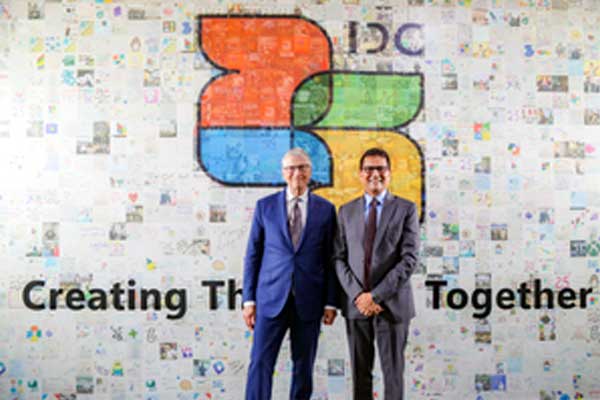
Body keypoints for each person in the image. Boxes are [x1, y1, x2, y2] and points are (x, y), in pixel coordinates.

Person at [242, 148, 338, 400]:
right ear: (283, 172)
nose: (297, 173)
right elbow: (253, 255)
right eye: (291, 168)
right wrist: (249, 300)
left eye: (302, 167)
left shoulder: (326, 210)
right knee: (260, 362)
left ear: (310, 171)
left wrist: (330, 302)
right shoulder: (265, 207)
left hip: (309, 300)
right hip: (270, 299)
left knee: (303, 366)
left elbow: (331, 260)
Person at [334, 148, 419, 400]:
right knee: (360, 377)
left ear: (389, 173)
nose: (375, 174)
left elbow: (409, 259)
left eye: (380, 168)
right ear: (360, 174)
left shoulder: (406, 209)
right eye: (369, 169)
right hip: (356, 307)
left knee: (393, 377)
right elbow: (338, 258)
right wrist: (359, 296)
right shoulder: (346, 211)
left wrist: (376, 296)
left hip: (392, 307)